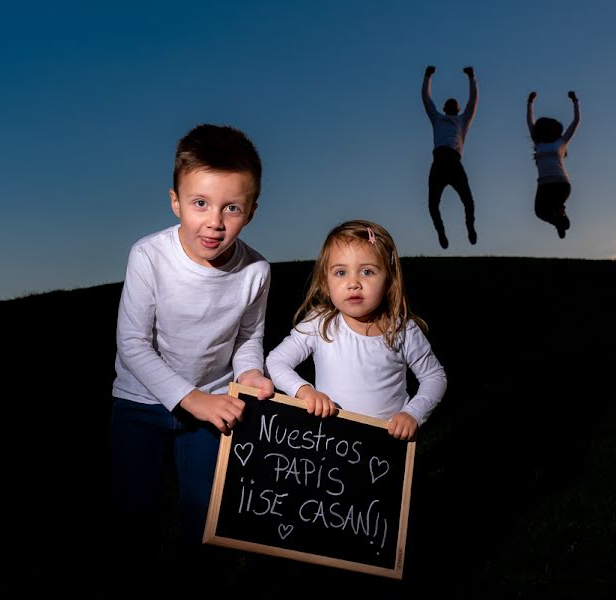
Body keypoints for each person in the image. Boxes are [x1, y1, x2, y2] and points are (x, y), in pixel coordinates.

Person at [109, 123, 274, 589]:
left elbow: (248, 336)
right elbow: (133, 345)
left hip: (215, 408)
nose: (214, 222)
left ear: (252, 211)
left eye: (232, 208)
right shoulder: (149, 256)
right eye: (200, 203)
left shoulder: (256, 271)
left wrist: (251, 372)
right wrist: (190, 398)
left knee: (206, 524)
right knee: (134, 515)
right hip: (140, 406)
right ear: (175, 201)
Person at [266, 219, 447, 441]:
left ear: (389, 279)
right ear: (326, 280)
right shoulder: (320, 323)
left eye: (367, 272)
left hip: (385, 446)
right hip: (329, 441)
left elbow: (434, 377)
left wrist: (413, 413)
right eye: (341, 273)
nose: (354, 283)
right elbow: (275, 361)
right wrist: (304, 391)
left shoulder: (402, 330)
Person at [422, 65, 479, 249]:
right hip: (438, 163)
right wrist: (427, 76)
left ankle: (470, 228)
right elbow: (426, 99)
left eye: (455, 103)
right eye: (450, 103)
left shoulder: (463, 120)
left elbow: (473, 101)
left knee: (468, 201)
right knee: (432, 204)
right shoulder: (437, 118)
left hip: (454, 163)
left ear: (458, 108)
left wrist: (472, 77)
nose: (452, 104)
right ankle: (441, 233)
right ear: (445, 108)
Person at [527, 90, 581, 239]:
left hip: (560, 184)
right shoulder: (538, 143)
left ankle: (560, 214)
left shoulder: (561, 142)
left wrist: (575, 101)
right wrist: (530, 103)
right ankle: (559, 221)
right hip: (543, 185)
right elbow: (530, 123)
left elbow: (576, 121)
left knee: (551, 208)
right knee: (539, 212)